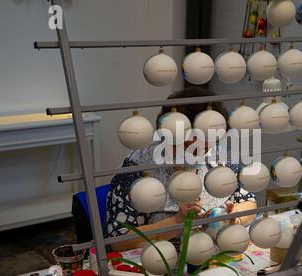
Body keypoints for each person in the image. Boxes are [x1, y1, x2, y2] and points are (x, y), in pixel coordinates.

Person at [105, 87, 257, 251]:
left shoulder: (221, 156)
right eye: (189, 145)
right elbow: (119, 241)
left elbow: (248, 202)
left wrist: (233, 217)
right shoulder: (138, 168)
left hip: (214, 254)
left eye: (209, 144)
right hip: (160, 260)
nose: (199, 153)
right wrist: (176, 222)